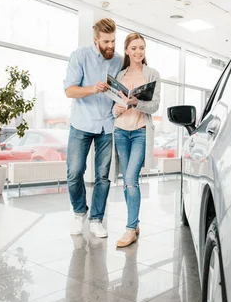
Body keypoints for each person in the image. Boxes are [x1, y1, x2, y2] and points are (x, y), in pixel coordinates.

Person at [64, 18, 122, 238]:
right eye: (106, 41)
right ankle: (80, 213)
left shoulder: (118, 61)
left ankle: (97, 219)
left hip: (107, 124)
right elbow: (69, 91)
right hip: (82, 123)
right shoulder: (80, 56)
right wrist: (91, 88)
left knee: (103, 176)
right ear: (96, 39)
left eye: (114, 41)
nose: (110, 46)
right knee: (74, 172)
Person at [113, 32, 161, 248]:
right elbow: (112, 103)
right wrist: (116, 108)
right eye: (134, 48)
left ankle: (130, 229)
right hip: (120, 131)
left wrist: (135, 103)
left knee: (131, 178)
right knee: (126, 181)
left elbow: (154, 106)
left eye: (141, 47)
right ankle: (135, 224)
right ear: (126, 50)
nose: (138, 52)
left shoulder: (152, 74)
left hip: (140, 131)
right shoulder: (119, 74)